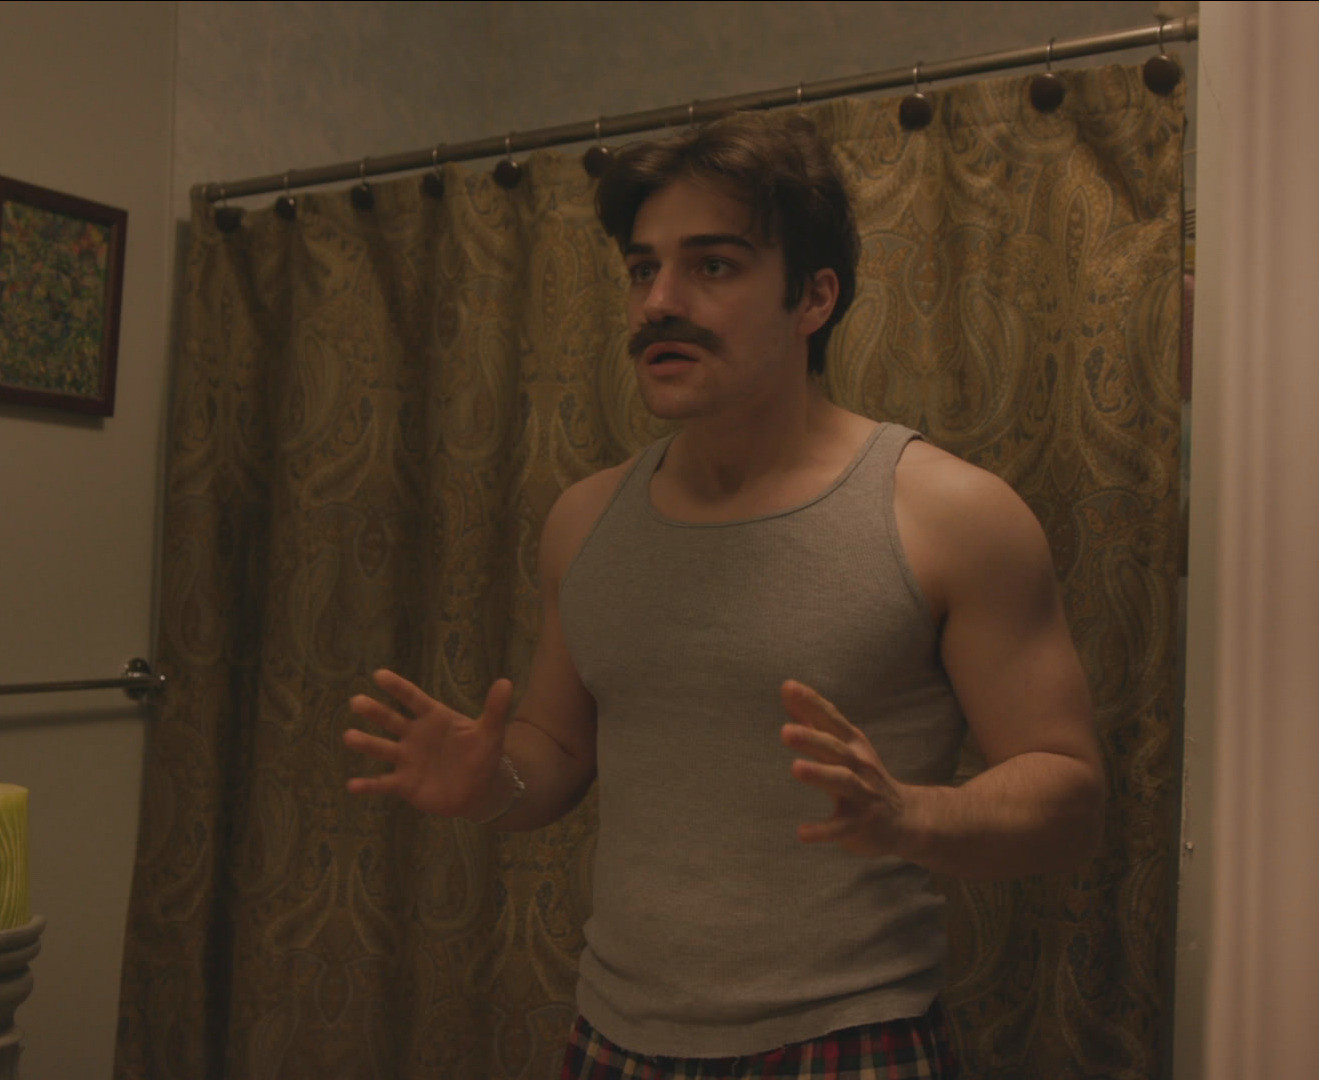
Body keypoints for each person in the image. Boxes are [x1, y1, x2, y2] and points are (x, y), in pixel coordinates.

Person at [342, 110, 1104, 1079]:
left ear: (814, 297)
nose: (659, 301)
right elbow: (557, 753)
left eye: (712, 265)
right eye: (641, 269)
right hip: (614, 1039)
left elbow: (1069, 794)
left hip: (849, 1042)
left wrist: (912, 815)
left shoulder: (951, 515)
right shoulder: (584, 521)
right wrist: (492, 786)